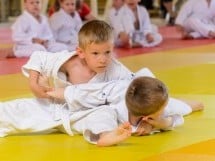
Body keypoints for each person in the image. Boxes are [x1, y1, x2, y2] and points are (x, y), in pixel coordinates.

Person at [0, 20, 134, 140]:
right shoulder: (70, 63)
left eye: (107, 52)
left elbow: (138, 86)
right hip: (55, 107)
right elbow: (39, 57)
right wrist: (34, 84)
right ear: (81, 52)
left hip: (84, 116)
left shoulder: (115, 68)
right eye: (95, 53)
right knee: (16, 108)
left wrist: (145, 122)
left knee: (106, 113)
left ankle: (105, 136)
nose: (103, 59)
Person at [46, 73, 204, 146]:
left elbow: (176, 118)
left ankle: (188, 102)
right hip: (117, 90)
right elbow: (83, 92)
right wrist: (51, 93)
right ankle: (105, 135)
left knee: (188, 107)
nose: (165, 108)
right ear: (147, 115)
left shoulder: (164, 108)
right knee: (99, 109)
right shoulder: (114, 106)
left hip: (143, 88)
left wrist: (158, 123)